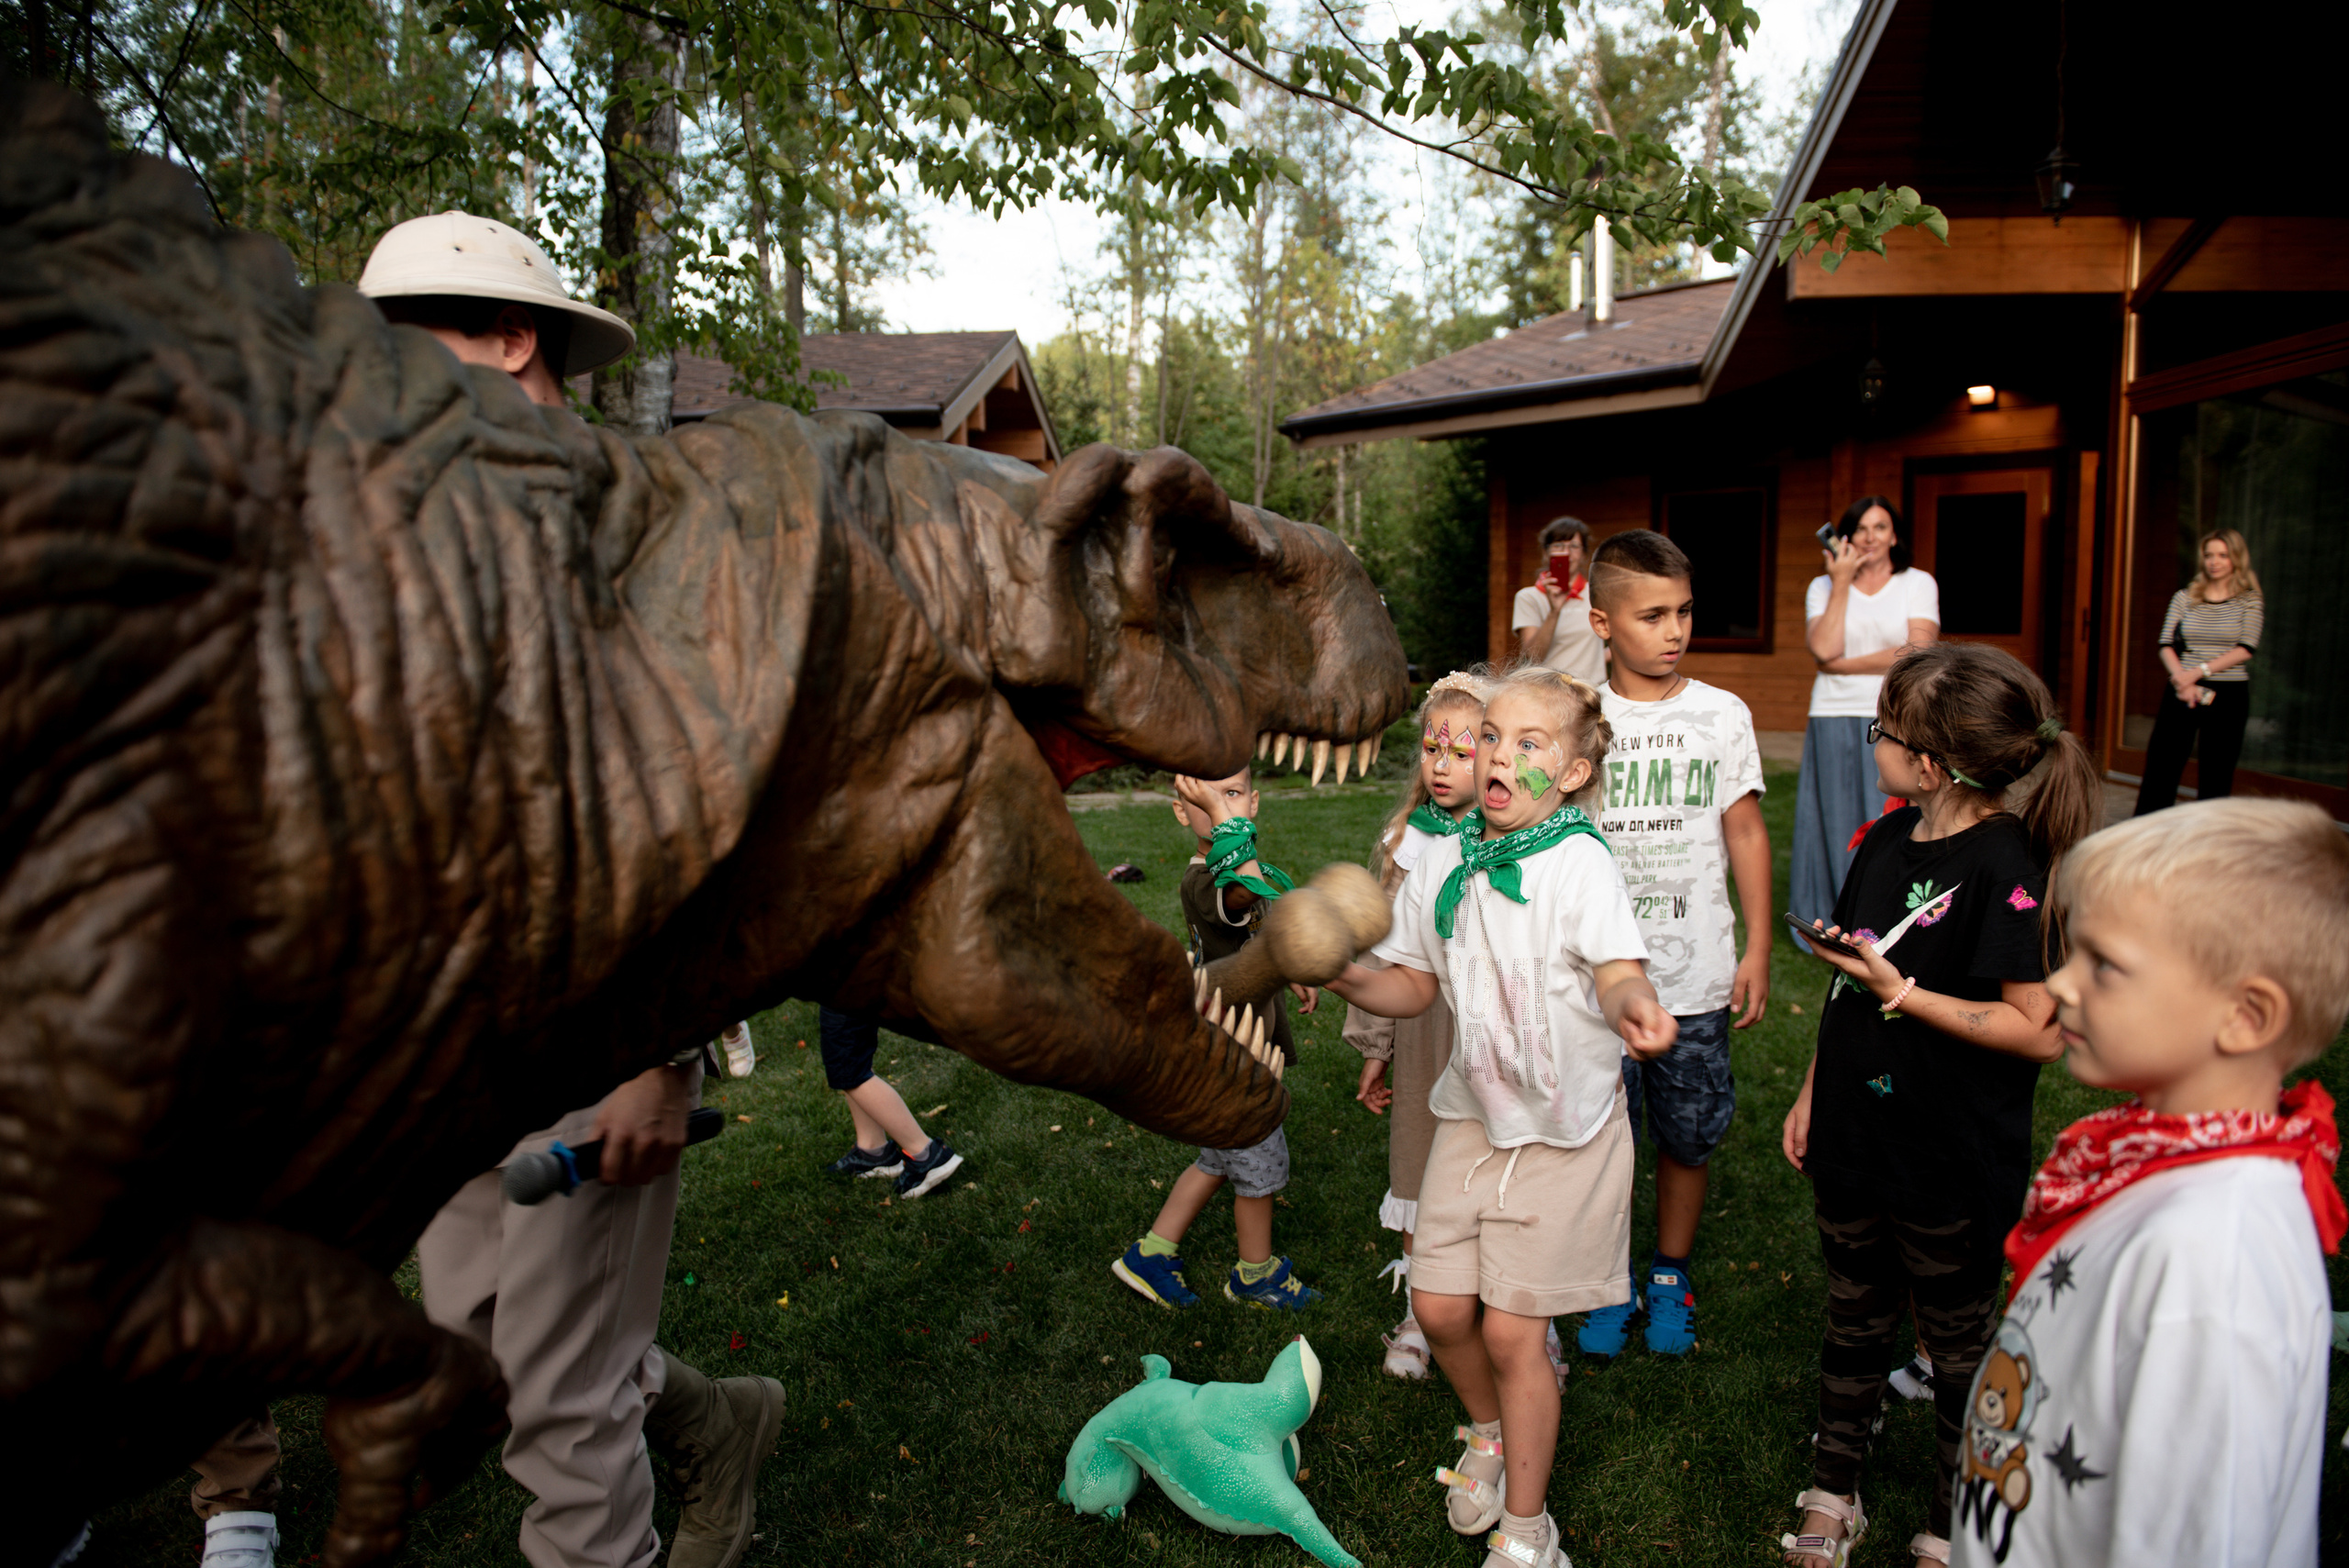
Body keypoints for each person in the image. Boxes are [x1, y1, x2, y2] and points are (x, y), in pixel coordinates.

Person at [184, 212, 784, 1568]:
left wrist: (662, 1061)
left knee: (563, 1416)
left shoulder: (636, 534)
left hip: (600, 1035)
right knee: (482, 1362)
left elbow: (707, 811)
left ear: (510, 340)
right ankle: (718, 1425)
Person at [1329, 667, 1677, 1568]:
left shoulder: (1579, 862)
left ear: (1566, 774)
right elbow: (1412, 980)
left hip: (1565, 1131)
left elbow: (1613, 967)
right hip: (1472, 1118)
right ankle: (1485, 1429)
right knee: (1441, 1308)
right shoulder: (1442, 857)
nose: (1498, 756)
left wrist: (1634, 999)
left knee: (1512, 1330)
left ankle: (1529, 1529)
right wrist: (1341, 971)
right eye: (1491, 735)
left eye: (1529, 744)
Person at [1949, 798, 2349, 1567]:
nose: (2060, 983)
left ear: (2246, 1014)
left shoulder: (2213, 1263)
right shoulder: (2155, 1167)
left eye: (2104, 962)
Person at [1776, 641, 2101, 1568]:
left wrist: (1902, 990)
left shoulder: (2011, 860)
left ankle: (1954, 1514)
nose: (1869, 738)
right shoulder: (1883, 838)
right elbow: (1848, 982)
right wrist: (1810, 1090)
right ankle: (1833, 1487)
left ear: (1926, 761)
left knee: (1957, 1348)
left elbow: (2036, 1026)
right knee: (1853, 1318)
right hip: (1853, 1136)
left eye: (1881, 729)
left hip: (1948, 1157)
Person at [1578, 529, 1772, 1358]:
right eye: (1652, 614)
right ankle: (1602, 1277)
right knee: (1600, 1136)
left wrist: (1759, 945)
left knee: (1687, 1135)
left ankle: (1668, 1273)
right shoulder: (1575, 716)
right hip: (1596, 983)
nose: (1674, 630)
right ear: (1601, 622)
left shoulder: (1722, 715)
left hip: (1693, 973)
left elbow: (1747, 832)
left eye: (1684, 612)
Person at [1112, 766, 1323, 1311]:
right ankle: (1255, 1274)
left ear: (1252, 803)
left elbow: (1260, 927)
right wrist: (1235, 829)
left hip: (1235, 1044)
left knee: (1216, 1160)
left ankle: (1152, 1252)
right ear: (1182, 811)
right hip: (1234, 1058)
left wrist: (1289, 966)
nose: (1220, 806)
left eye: (1230, 795)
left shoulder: (1235, 871)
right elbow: (1241, 893)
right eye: (1205, 798)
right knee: (1258, 1165)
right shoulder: (1207, 881)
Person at [1346, 671, 1492, 1378]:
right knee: (1419, 1161)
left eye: (1461, 749)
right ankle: (1418, 1310)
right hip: (1423, 1029)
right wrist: (1376, 1047)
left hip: (1490, 1030)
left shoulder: (1510, 840)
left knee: (1496, 1166)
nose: (1441, 763)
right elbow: (1381, 949)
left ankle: (1509, 1313)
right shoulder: (1407, 842)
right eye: (1433, 746)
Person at [1791, 496, 1939, 950]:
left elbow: (1918, 652)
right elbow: (1823, 648)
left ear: (1894, 535)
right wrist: (1840, 583)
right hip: (1833, 713)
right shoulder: (1823, 586)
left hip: (1897, 715)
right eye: (1861, 528)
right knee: (1833, 817)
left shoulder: (1918, 583)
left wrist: (1842, 664)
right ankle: (1834, 917)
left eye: (1881, 527)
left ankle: (1887, 915)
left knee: (1891, 816)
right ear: (1847, 539)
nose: (1871, 536)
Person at [2132, 528, 2265, 815]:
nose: (2214, 561)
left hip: (2228, 693)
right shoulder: (2185, 597)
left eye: (2222, 555)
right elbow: (2166, 643)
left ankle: (2207, 837)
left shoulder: (2250, 600)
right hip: (2181, 688)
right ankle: (2147, 830)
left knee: (2217, 771)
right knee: (2161, 765)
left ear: (2236, 560)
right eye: (2208, 555)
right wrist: (2182, 679)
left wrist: (2197, 672)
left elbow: (2246, 648)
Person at [818, 1006, 965, 1197]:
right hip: (849, 987)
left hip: (844, 984)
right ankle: (873, 1151)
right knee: (852, 1064)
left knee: (847, 1068)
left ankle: (926, 1156)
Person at [1511, 517, 1608, 688]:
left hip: (1593, 694)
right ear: (1545, 553)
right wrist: (1554, 611)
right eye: (1558, 545)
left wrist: (1600, 658)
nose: (1566, 552)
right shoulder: (1528, 597)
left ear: (1584, 554)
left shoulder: (1597, 593)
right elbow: (1532, 658)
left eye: (1574, 546)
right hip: (1550, 694)